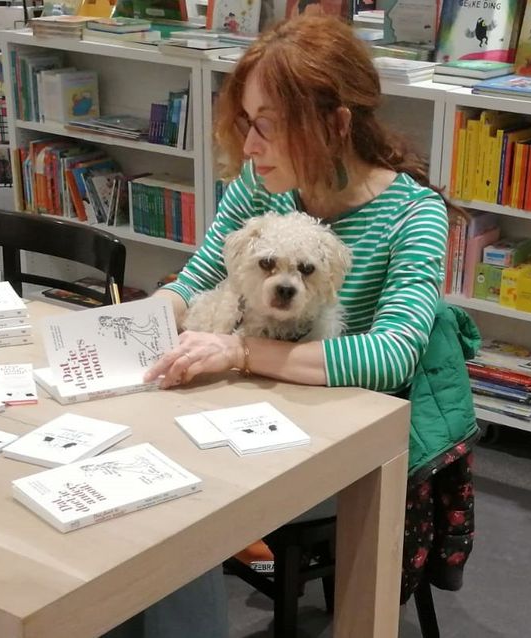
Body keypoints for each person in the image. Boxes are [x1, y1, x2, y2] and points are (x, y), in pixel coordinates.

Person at [133, 14, 478, 634]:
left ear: (335, 124)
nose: (251, 147)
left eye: (267, 126)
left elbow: (391, 355)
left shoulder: (414, 217)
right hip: (250, 409)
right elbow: (197, 277)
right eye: (246, 124)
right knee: (143, 465)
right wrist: (126, 330)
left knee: (174, 499)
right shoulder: (261, 184)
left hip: (345, 449)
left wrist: (239, 353)